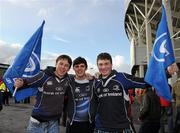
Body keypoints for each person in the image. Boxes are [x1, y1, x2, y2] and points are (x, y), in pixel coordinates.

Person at [14, 54, 72, 133]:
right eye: (61, 64)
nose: (63, 67)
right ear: (56, 64)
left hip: (54, 122)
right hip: (37, 122)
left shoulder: (68, 80)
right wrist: (20, 82)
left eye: (66, 65)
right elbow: (28, 81)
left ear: (68, 68)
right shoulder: (44, 75)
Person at [94, 52, 149, 133]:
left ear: (111, 65)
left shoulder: (122, 78)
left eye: (106, 64)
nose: (104, 67)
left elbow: (144, 82)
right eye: (100, 64)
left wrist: (167, 73)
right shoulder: (96, 83)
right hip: (101, 128)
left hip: (121, 128)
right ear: (97, 66)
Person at [65, 57, 96, 133]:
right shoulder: (69, 83)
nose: (79, 69)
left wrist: (95, 78)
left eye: (82, 66)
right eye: (77, 66)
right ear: (73, 68)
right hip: (73, 123)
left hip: (89, 123)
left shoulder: (93, 82)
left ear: (86, 68)